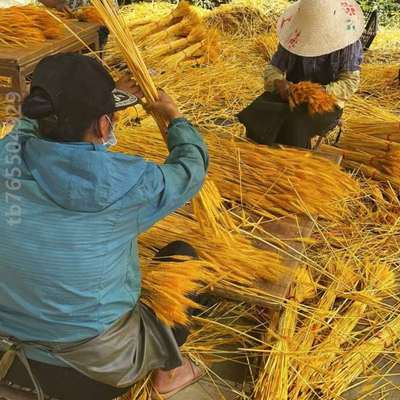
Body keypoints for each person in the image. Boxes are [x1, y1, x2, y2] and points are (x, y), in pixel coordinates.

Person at [0, 53, 208, 400]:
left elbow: (25, 127)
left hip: (8, 360)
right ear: (103, 125)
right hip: (92, 375)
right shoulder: (128, 184)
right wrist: (176, 119)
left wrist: (102, 105)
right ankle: (169, 372)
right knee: (185, 261)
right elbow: (190, 170)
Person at [238, 0, 364, 149]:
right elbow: (273, 68)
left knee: (295, 122)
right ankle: (258, 155)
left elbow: (349, 82)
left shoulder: (347, 41)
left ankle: (294, 163)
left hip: (326, 101)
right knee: (259, 110)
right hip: (290, 94)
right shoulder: (293, 35)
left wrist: (313, 92)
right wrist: (278, 82)